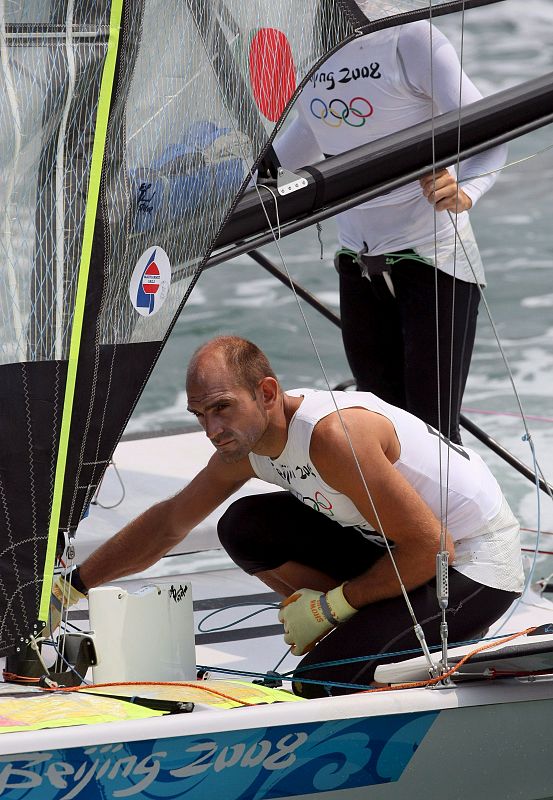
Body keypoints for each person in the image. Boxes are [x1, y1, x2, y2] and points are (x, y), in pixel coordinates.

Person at [52, 336, 523, 697]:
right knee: (243, 526)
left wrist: (333, 604)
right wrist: (71, 587)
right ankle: (365, 627)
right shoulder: (246, 444)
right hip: (398, 547)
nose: (213, 430)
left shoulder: (334, 437)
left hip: (472, 564)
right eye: (200, 415)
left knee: (321, 682)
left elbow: (434, 547)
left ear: (267, 392)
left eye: (222, 408)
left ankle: (367, 628)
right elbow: (170, 522)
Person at [273, 13, 508, 444]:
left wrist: (465, 191)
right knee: (381, 430)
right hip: (357, 267)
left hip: (434, 262)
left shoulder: (413, 39)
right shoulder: (307, 54)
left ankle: (455, 512)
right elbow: (284, 159)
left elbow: (492, 130)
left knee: (434, 436)